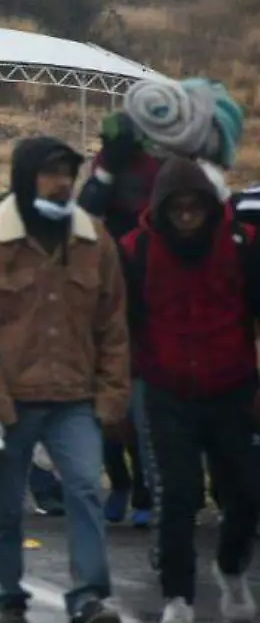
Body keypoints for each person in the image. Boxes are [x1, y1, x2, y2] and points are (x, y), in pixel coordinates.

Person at [0, 136, 132, 623]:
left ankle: (90, 596)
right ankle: (9, 593)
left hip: (76, 399)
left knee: (86, 490)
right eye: (50, 172)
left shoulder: (95, 239)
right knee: (5, 507)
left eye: (67, 174)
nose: (60, 184)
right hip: (7, 401)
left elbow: (114, 325)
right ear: (24, 175)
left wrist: (112, 395)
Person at [119, 158, 260, 623]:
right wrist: (120, 390)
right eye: (175, 209)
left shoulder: (243, 245)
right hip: (166, 392)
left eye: (193, 208)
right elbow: (120, 327)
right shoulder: (136, 251)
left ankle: (232, 569)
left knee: (244, 492)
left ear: (209, 207)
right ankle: (177, 597)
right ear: (160, 210)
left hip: (232, 387)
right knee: (178, 495)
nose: (185, 217)